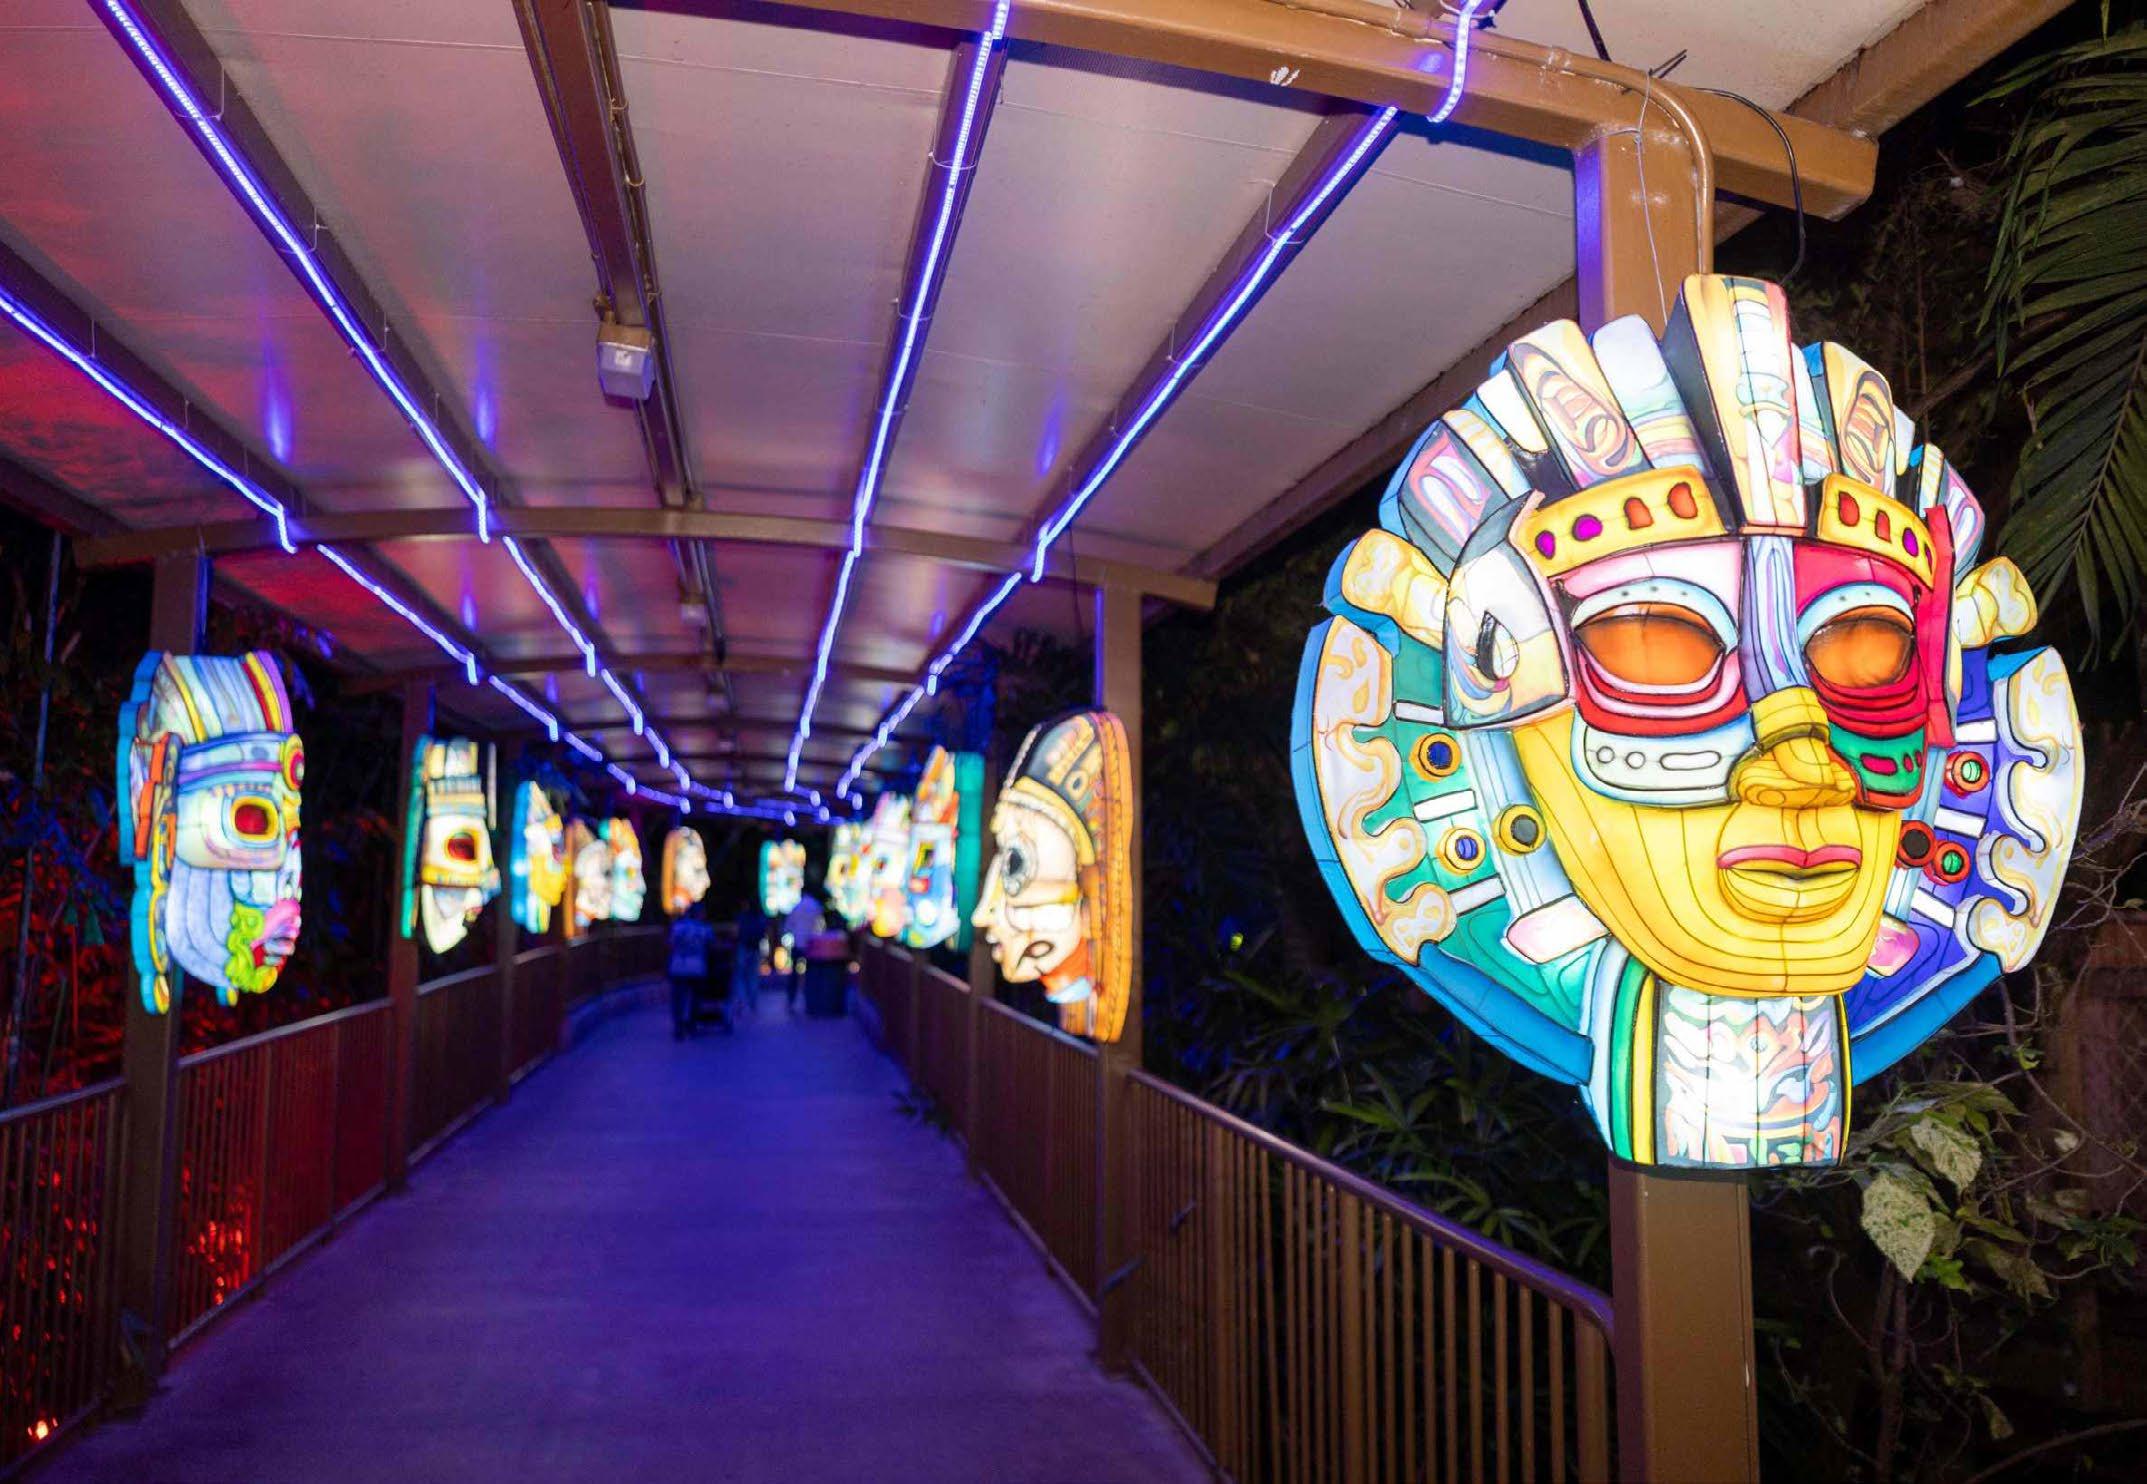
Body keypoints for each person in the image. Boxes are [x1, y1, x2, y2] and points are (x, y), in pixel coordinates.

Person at [666, 900, 715, 1040]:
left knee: (678, 998)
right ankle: (692, 1024)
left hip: (678, 966)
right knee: (695, 997)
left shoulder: (678, 927)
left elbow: (670, 944)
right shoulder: (704, 928)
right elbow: (711, 945)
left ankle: (679, 1026)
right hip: (697, 967)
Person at [781, 891, 826, 1010]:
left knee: (794, 974)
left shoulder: (797, 906)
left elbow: (788, 926)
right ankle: (810, 1001)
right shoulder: (816, 906)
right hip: (812, 944)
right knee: (811, 973)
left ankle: (791, 1000)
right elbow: (821, 925)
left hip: (797, 943)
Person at [733, 899, 769, 1021]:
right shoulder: (760, 917)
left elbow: (737, 932)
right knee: (753, 977)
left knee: (740, 976)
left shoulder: (742, 917)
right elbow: (764, 932)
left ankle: (741, 1001)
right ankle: (752, 1003)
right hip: (755, 948)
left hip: (743, 948)